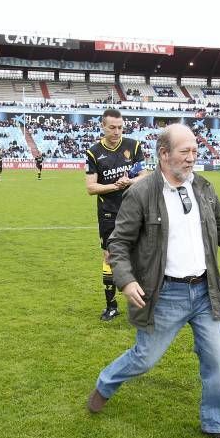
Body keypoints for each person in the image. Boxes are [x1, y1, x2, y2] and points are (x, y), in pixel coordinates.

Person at [86, 123, 220, 438]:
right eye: (185, 152)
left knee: (217, 360)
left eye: (195, 151)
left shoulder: (204, 188)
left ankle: (215, 424)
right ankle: (105, 384)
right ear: (164, 154)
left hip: (204, 292)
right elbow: (118, 242)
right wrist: (127, 281)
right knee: (144, 358)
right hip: (165, 295)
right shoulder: (141, 193)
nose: (191, 158)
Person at [85, 109, 147, 321]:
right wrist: (114, 185)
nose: (117, 131)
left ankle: (140, 304)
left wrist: (129, 182)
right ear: (103, 126)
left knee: (140, 254)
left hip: (135, 209)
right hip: (109, 213)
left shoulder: (133, 146)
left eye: (120, 127)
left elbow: (144, 175)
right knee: (109, 256)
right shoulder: (93, 152)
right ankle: (111, 306)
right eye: (112, 127)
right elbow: (91, 188)